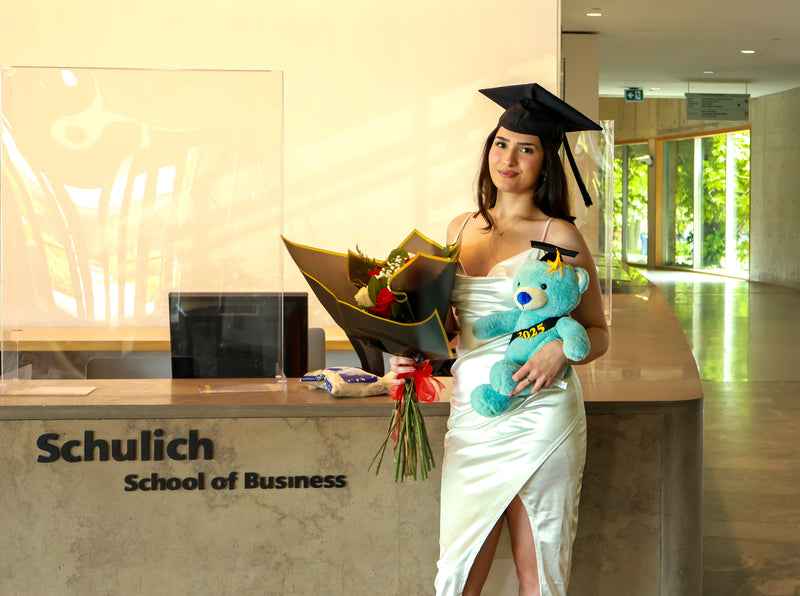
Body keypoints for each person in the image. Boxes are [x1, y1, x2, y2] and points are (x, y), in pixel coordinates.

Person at [390, 83, 609, 596]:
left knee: (541, 573)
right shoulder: (458, 228)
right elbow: (450, 327)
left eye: (525, 148)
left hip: (541, 409)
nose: (508, 159)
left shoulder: (557, 236)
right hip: (474, 410)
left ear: (545, 162)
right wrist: (409, 351)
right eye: (501, 144)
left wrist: (560, 350)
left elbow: (597, 333)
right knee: (457, 572)